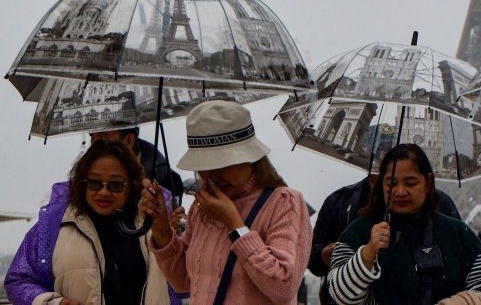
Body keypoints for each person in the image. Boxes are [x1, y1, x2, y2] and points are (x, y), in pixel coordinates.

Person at [140, 100, 312, 305]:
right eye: (203, 164)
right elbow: (183, 282)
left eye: (221, 162)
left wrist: (235, 224)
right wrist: (161, 226)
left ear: (250, 157)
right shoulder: (201, 208)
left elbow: (283, 287)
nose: (212, 174)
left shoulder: (284, 202)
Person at [4, 139, 176, 305]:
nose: (104, 192)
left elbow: (183, 282)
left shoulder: (153, 223)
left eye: (115, 185)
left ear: (131, 184)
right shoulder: (54, 225)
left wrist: (166, 230)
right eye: (94, 183)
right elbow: (17, 280)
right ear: (81, 181)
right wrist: (53, 302)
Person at [327, 144, 481, 305]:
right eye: (391, 184)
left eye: (410, 183)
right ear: (382, 185)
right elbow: (340, 296)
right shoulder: (358, 233)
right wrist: (367, 254)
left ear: (428, 181)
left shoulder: (459, 234)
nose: (400, 192)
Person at [310, 174, 462, 305]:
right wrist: (323, 254)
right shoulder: (338, 201)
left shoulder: (440, 202)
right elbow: (309, 256)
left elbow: (462, 256)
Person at [90, 127, 185, 205]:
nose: (95, 145)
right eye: (92, 137)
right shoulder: (85, 173)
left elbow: (170, 223)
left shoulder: (164, 179)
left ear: (128, 140)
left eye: (102, 137)